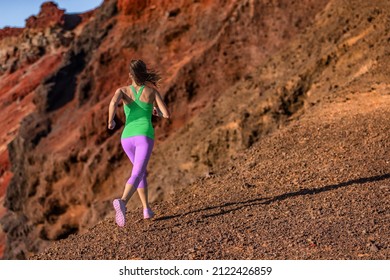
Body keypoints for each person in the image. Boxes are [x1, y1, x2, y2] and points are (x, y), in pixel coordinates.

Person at [107, 59, 170, 227]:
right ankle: (122, 202)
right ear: (144, 74)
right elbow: (166, 114)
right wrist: (155, 111)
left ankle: (146, 209)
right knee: (137, 172)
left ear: (130, 75)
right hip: (144, 136)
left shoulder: (122, 90)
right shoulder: (152, 92)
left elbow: (113, 103)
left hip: (126, 137)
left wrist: (110, 121)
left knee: (140, 172)